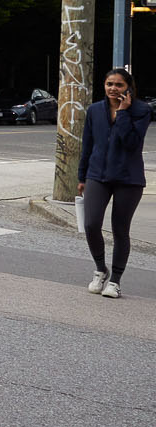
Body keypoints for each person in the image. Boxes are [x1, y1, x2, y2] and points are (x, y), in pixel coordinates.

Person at [77, 66, 148, 299]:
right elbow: (88, 144)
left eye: (119, 85)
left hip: (129, 179)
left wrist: (123, 112)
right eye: (109, 84)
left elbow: (131, 142)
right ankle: (101, 269)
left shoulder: (141, 110)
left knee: (120, 229)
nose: (113, 88)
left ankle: (115, 280)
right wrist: (82, 176)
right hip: (97, 175)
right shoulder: (95, 110)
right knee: (91, 224)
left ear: (128, 87)